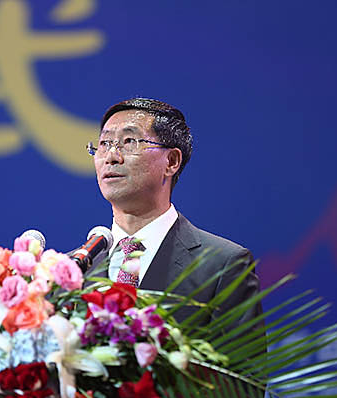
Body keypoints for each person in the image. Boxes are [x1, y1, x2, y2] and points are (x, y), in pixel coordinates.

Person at [87, 97, 264, 346]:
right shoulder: (74, 269)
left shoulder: (222, 265)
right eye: (104, 144)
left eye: (129, 142)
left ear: (171, 161)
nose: (111, 156)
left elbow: (242, 370)